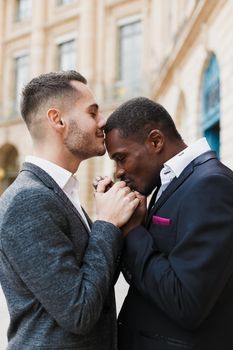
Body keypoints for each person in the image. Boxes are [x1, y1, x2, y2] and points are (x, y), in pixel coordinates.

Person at [0, 71, 140, 350]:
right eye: (92, 113)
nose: (103, 122)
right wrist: (107, 224)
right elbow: (79, 311)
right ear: (58, 120)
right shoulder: (27, 201)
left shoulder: (60, 190)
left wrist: (123, 223)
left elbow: (94, 280)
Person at [103, 96, 233, 350]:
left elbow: (187, 302)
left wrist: (133, 231)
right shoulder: (170, 181)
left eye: (121, 158)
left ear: (155, 141)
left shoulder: (211, 185)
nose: (118, 171)